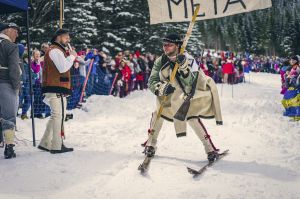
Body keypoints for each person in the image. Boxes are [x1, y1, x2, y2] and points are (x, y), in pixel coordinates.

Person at [143, 33, 223, 162]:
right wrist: (161, 88)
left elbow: (192, 82)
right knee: (157, 115)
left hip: (185, 96)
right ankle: (151, 144)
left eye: (169, 45)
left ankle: (210, 149)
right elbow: (151, 81)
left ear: (178, 45)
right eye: (164, 45)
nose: (165, 48)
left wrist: (184, 67)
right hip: (167, 97)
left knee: (192, 118)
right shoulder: (161, 60)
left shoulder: (188, 59)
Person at [38, 29, 77, 154]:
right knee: (58, 116)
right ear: (59, 37)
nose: (68, 40)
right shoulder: (55, 50)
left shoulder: (56, 50)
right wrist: (72, 56)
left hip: (56, 87)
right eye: (66, 37)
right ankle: (57, 145)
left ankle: (45, 142)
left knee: (57, 116)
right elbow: (63, 68)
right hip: (56, 87)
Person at [0, 23, 22, 159]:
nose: (17, 35)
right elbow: (14, 69)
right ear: (8, 30)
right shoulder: (11, 46)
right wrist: (16, 86)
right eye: (16, 31)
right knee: (9, 117)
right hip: (6, 84)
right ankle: (9, 148)